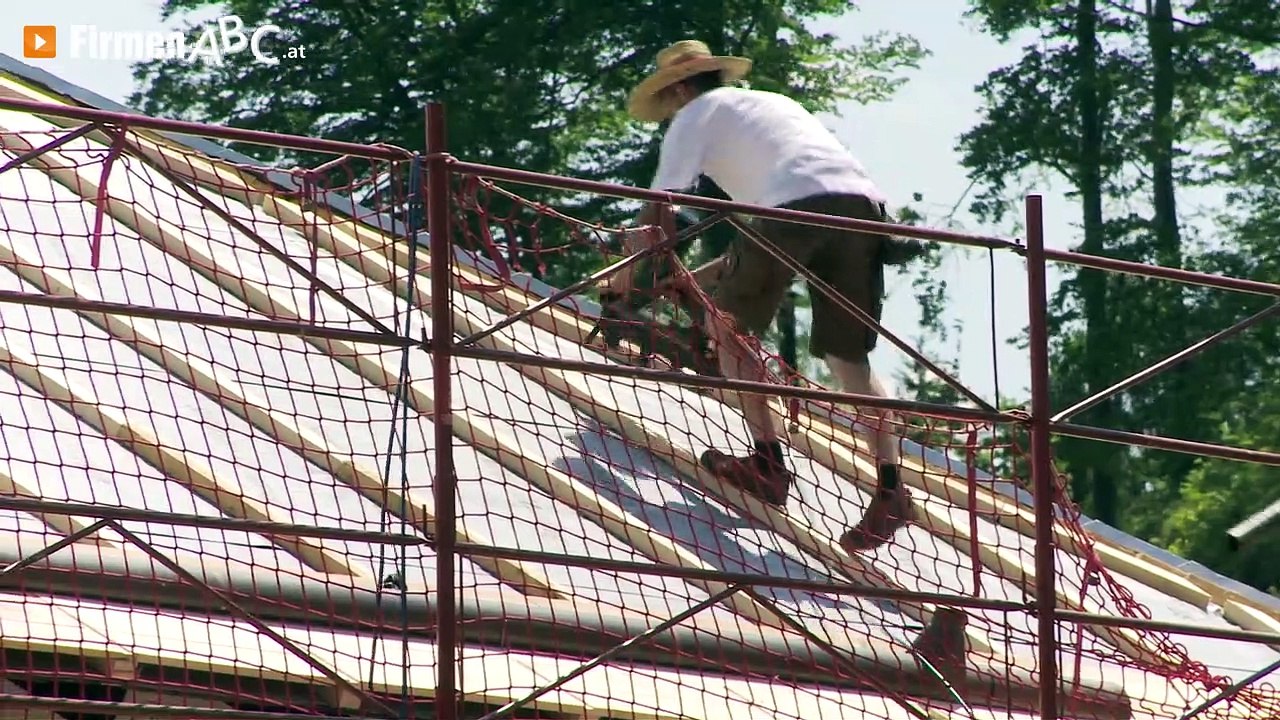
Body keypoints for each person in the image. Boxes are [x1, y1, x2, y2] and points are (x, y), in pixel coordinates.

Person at [628, 40, 914, 553]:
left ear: (676, 88)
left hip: (789, 212)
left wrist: (628, 276)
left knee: (727, 331)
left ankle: (766, 464)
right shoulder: (772, 106)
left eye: (667, 99)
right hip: (862, 208)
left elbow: (659, 209)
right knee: (847, 356)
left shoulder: (694, 115)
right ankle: (892, 486)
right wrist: (703, 277)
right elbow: (783, 235)